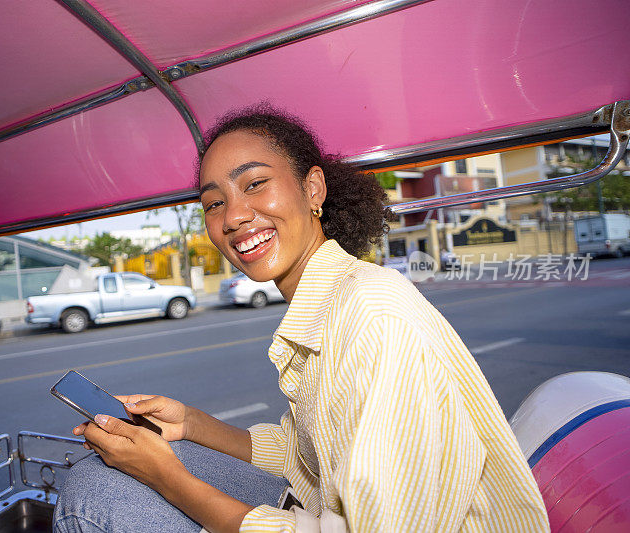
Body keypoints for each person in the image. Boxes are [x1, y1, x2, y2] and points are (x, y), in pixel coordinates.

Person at [53, 105, 549, 532]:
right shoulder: (329, 299)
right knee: (102, 473)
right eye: (215, 204)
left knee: (90, 496)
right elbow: (301, 451)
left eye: (256, 184)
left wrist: (168, 478)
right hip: (318, 510)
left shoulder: (373, 314)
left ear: (313, 189)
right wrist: (190, 423)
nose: (234, 217)